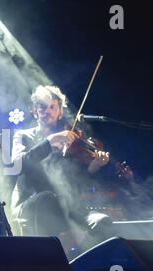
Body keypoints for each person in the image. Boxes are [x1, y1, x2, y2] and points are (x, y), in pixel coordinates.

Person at [11, 85, 119, 256]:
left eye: (52, 106)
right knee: (48, 199)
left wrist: (94, 166)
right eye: (42, 106)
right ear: (34, 110)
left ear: (60, 111)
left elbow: (74, 179)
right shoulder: (24, 136)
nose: (47, 111)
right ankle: (58, 263)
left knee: (102, 222)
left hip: (67, 205)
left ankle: (92, 270)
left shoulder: (68, 139)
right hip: (32, 202)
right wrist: (49, 141)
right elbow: (17, 164)